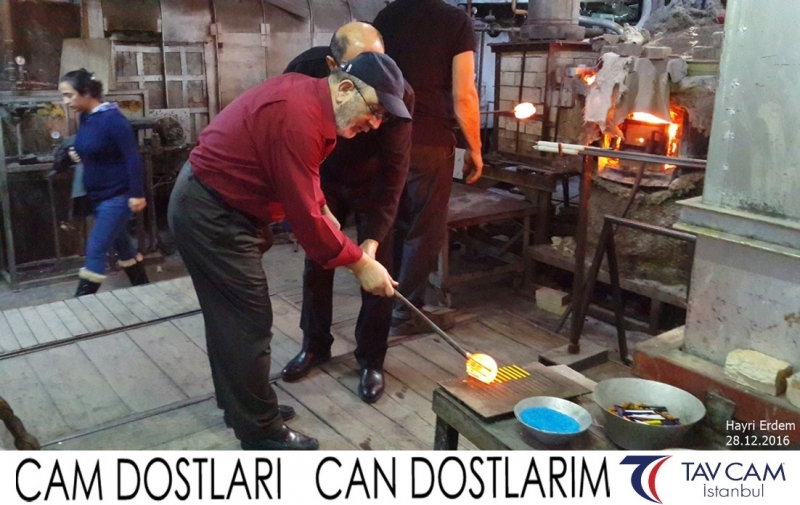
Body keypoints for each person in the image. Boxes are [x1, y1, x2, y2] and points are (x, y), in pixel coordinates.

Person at [168, 51, 411, 451]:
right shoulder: (299, 117)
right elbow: (306, 223)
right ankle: (261, 433)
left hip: (222, 207)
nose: (374, 124)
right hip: (212, 214)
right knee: (247, 324)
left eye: (382, 117)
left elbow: (305, 177)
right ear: (345, 88)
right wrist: (360, 264)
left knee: (231, 323)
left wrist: (324, 209)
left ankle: (243, 407)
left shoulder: (310, 97)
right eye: (373, 110)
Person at [279, 22, 414, 404]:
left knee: (379, 266)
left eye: (378, 62)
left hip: (371, 180)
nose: (372, 77)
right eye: (359, 69)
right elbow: (288, 139)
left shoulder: (397, 91)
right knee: (318, 260)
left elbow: (395, 170)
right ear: (332, 66)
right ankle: (315, 344)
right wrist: (313, 202)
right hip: (320, 173)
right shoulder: (304, 71)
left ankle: (372, 358)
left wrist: (371, 241)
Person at [374, 0, 484, 335]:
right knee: (426, 228)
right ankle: (405, 312)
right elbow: (464, 94)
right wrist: (476, 148)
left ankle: (383, 298)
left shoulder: (386, 16)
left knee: (392, 222)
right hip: (430, 140)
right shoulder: (455, 20)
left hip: (386, 135)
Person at [58, 69, 149, 297]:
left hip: (117, 196)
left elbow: (132, 158)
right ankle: (145, 290)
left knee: (95, 250)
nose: (65, 102)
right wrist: (73, 154)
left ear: (87, 93)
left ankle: (80, 304)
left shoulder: (113, 120)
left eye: (69, 95)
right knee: (123, 246)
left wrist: (137, 194)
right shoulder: (87, 118)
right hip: (98, 196)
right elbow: (91, 147)